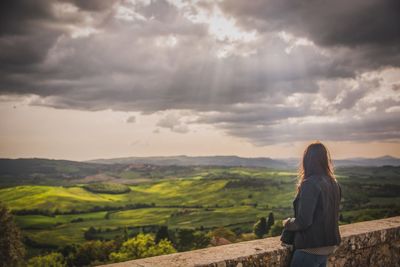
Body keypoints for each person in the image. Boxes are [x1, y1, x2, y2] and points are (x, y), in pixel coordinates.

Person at [282, 141, 341, 267]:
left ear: (306, 160)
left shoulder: (309, 184)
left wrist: (288, 223)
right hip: (328, 246)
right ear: (325, 160)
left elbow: (304, 221)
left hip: (310, 248)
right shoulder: (334, 183)